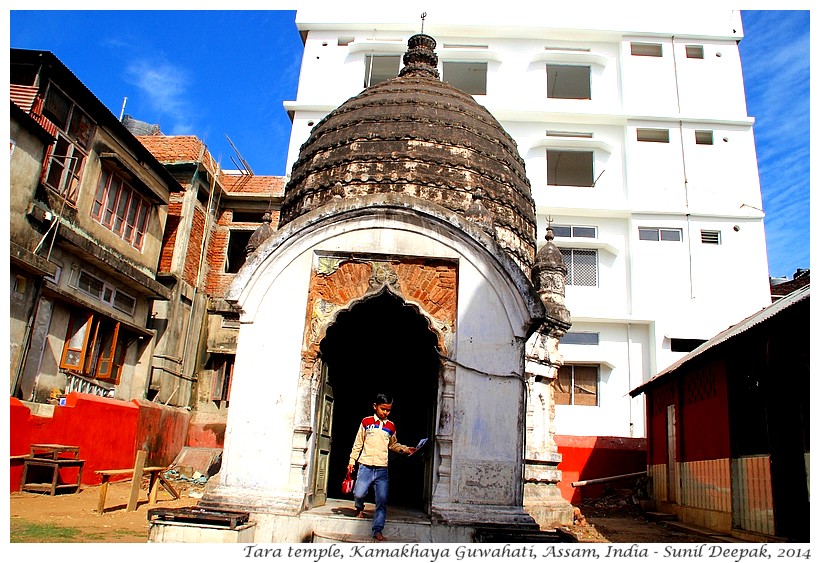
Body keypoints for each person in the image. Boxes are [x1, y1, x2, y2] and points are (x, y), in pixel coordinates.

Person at [348, 393, 416, 541]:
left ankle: (377, 530)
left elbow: (393, 444)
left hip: (381, 469)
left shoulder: (391, 426)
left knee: (382, 500)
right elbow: (358, 443)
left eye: (388, 410)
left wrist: (406, 449)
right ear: (375, 406)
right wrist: (352, 461)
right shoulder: (366, 422)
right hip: (365, 466)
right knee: (358, 493)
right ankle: (359, 507)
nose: (385, 412)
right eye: (383, 409)